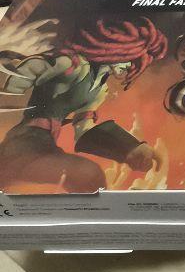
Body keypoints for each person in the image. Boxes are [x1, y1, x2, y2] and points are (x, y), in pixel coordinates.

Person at [0, 18, 166, 192]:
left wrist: (131, 148)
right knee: (89, 175)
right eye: (130, 59)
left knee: (91, 179)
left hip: (46, 146)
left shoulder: (98, 90)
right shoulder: (71, 65)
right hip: (23, 143)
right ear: (117, 50)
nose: (130, 66)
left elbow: (84, 129)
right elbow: (23, 73)